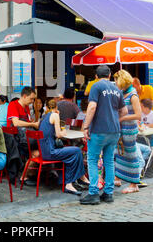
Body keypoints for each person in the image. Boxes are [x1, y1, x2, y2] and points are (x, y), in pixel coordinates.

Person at [80, 65, 128, 205]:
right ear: (109, 75)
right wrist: (113, 119)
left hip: (99, 130)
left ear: (96, 76)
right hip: (114, 130)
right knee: (109, 161)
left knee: (93, 160)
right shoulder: (117, 89)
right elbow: (124, 111)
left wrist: (86, 126)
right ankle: (108, 193)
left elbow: (92, 107)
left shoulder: (96, 86)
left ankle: (93, 193)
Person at [39, 99, 89, 195]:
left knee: (72, 153)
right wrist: (63, 132)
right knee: (77, 151)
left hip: (44, 152)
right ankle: (73, 182)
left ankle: (77, 179)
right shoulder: (55, 115)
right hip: (51, 152)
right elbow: (58, 134)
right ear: (57, 107)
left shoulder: (44, 117)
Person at [113, 70, 142, 194]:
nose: (115, 83)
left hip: (129, 130)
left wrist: (124, 117)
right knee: (119, 153)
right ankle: (118, 177)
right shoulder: (122, 93)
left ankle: (134, 183)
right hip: (121, 128)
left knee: (131, 155)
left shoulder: (133, 95)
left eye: (116, 81)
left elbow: (138, 115)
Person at [6, 87, 39, 185]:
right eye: (31, 99)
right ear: (24, 96)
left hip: (24, 138)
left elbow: (26, 124)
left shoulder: (27, 107)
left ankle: (29, 175)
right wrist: (32, 125)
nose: (32, 101)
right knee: (38, 151)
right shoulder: (13, 104)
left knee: (38, 152)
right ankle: (25, 176)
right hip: (15, 140)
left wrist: (31, 123)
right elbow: (16, 123)